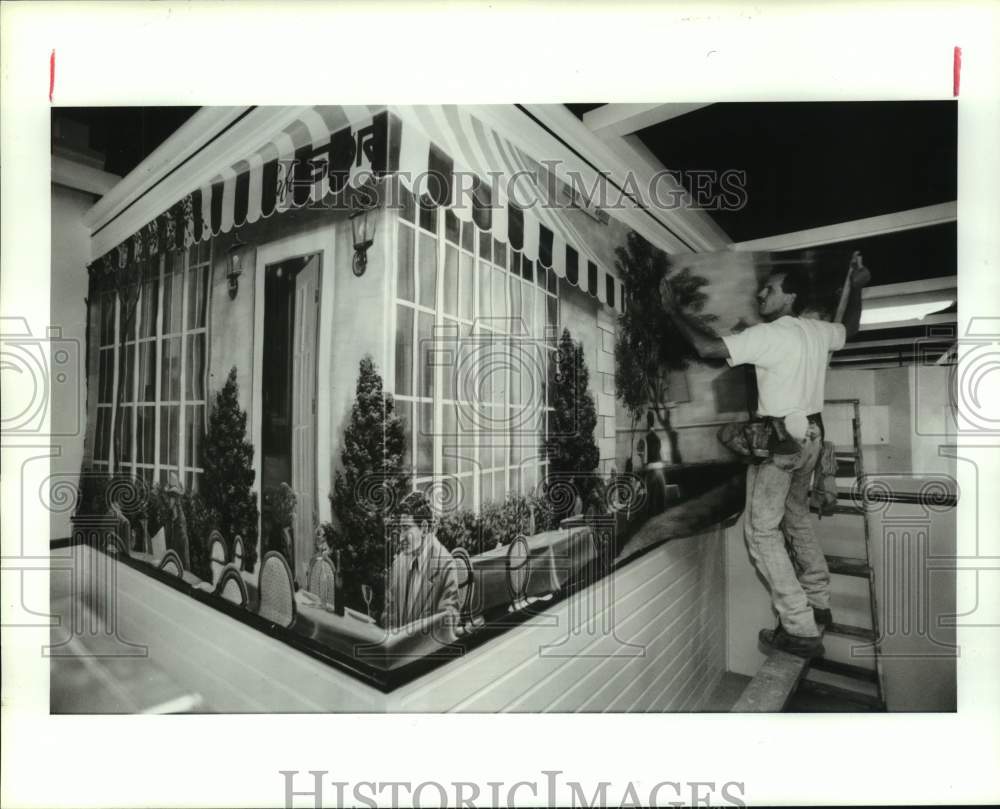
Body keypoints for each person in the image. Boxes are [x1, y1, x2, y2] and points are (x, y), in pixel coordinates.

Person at [659, 253, 870, 658]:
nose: (761, 292)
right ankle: (819, 603)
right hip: (810, 436)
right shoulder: (817, 331)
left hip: (780, 445)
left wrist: (673, 310)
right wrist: (858, 287)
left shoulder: (770, 334)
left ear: (789, 296)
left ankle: (800, 626)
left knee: (761, 533)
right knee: (796, 519)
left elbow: (706, 346)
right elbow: (853, 329)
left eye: (769, 288)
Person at [382, 491, 460, 630]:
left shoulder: (445, 566)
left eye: (406, 528)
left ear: (424, 528)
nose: (401, 538)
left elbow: (447, 627)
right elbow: (389, 617)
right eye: (401, 529)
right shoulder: (398, 563)